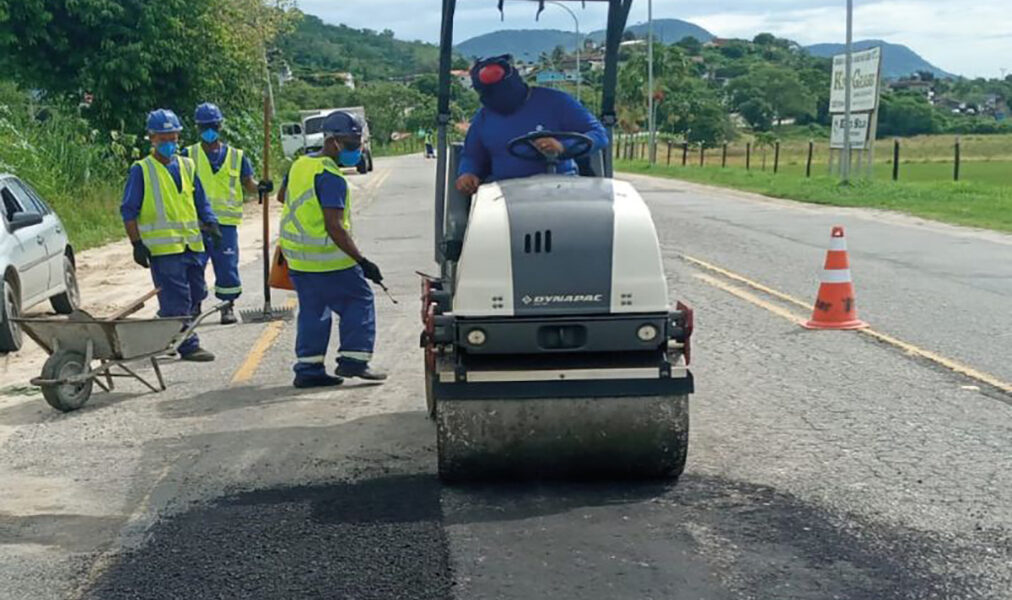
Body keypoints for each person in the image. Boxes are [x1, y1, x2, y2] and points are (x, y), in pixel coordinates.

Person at [277, 110, 387, 388]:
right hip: (329, 260)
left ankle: (308, 370)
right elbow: (335, 226)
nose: (355, 149)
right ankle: (354, 360)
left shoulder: (300, 164)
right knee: (359, 300)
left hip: (298, 260)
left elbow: (282, 196)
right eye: (350, 144)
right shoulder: (331, 177)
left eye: (357, 143)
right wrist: (362, 261)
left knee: (314, 311)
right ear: (333, 141)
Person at [121, 109, 222, 362]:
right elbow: (129, 210)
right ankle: (188, 344)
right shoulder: (141, 170)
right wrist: (137, 244)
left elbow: (200, 200)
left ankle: (168, 331)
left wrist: (211, 223)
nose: (169, 143)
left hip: (192, 245)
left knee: (197, 293)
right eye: (162, 139)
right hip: (164, 252)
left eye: (173, 138)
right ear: (152, 138)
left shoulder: (187, 165)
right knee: (177, 298)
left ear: (178, 136)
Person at [455, 54, 609, 195]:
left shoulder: (557, 102)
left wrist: (563, 147)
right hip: (504, 193)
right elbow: (472, 155)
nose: (499, 99)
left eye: (501, 92)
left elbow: (599, 134)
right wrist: (468, 173)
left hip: (561, 188)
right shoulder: (483, 119)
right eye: (490, 94)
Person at [181, 102, 264, 324]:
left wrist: (261, 188)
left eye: (213, 126)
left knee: (227, 266)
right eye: (205, 127)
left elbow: (248, 183)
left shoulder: (237, 156)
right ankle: (194, 306)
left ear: (220, 126)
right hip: (197, 223)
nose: (209, 131)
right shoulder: (188, 154)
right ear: (198, 128)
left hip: (225, 224)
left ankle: (227, 306)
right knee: (194, 267)